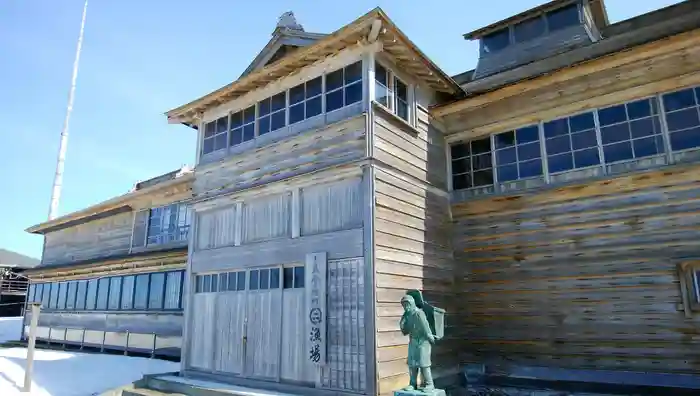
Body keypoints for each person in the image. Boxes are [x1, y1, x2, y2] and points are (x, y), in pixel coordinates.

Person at [399, 294, 437, 392]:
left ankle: (429, 384)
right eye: (404, 305)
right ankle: (413, 384)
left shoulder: (419, 313)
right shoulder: (408, 315)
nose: (406, 307)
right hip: (413, 341)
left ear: (412, 303)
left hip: (423, 342)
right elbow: (405, 331)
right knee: (412, 364)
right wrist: (403, 320)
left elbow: (425, 326)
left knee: (424, 364)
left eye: (407, 304)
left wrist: (430, 337)